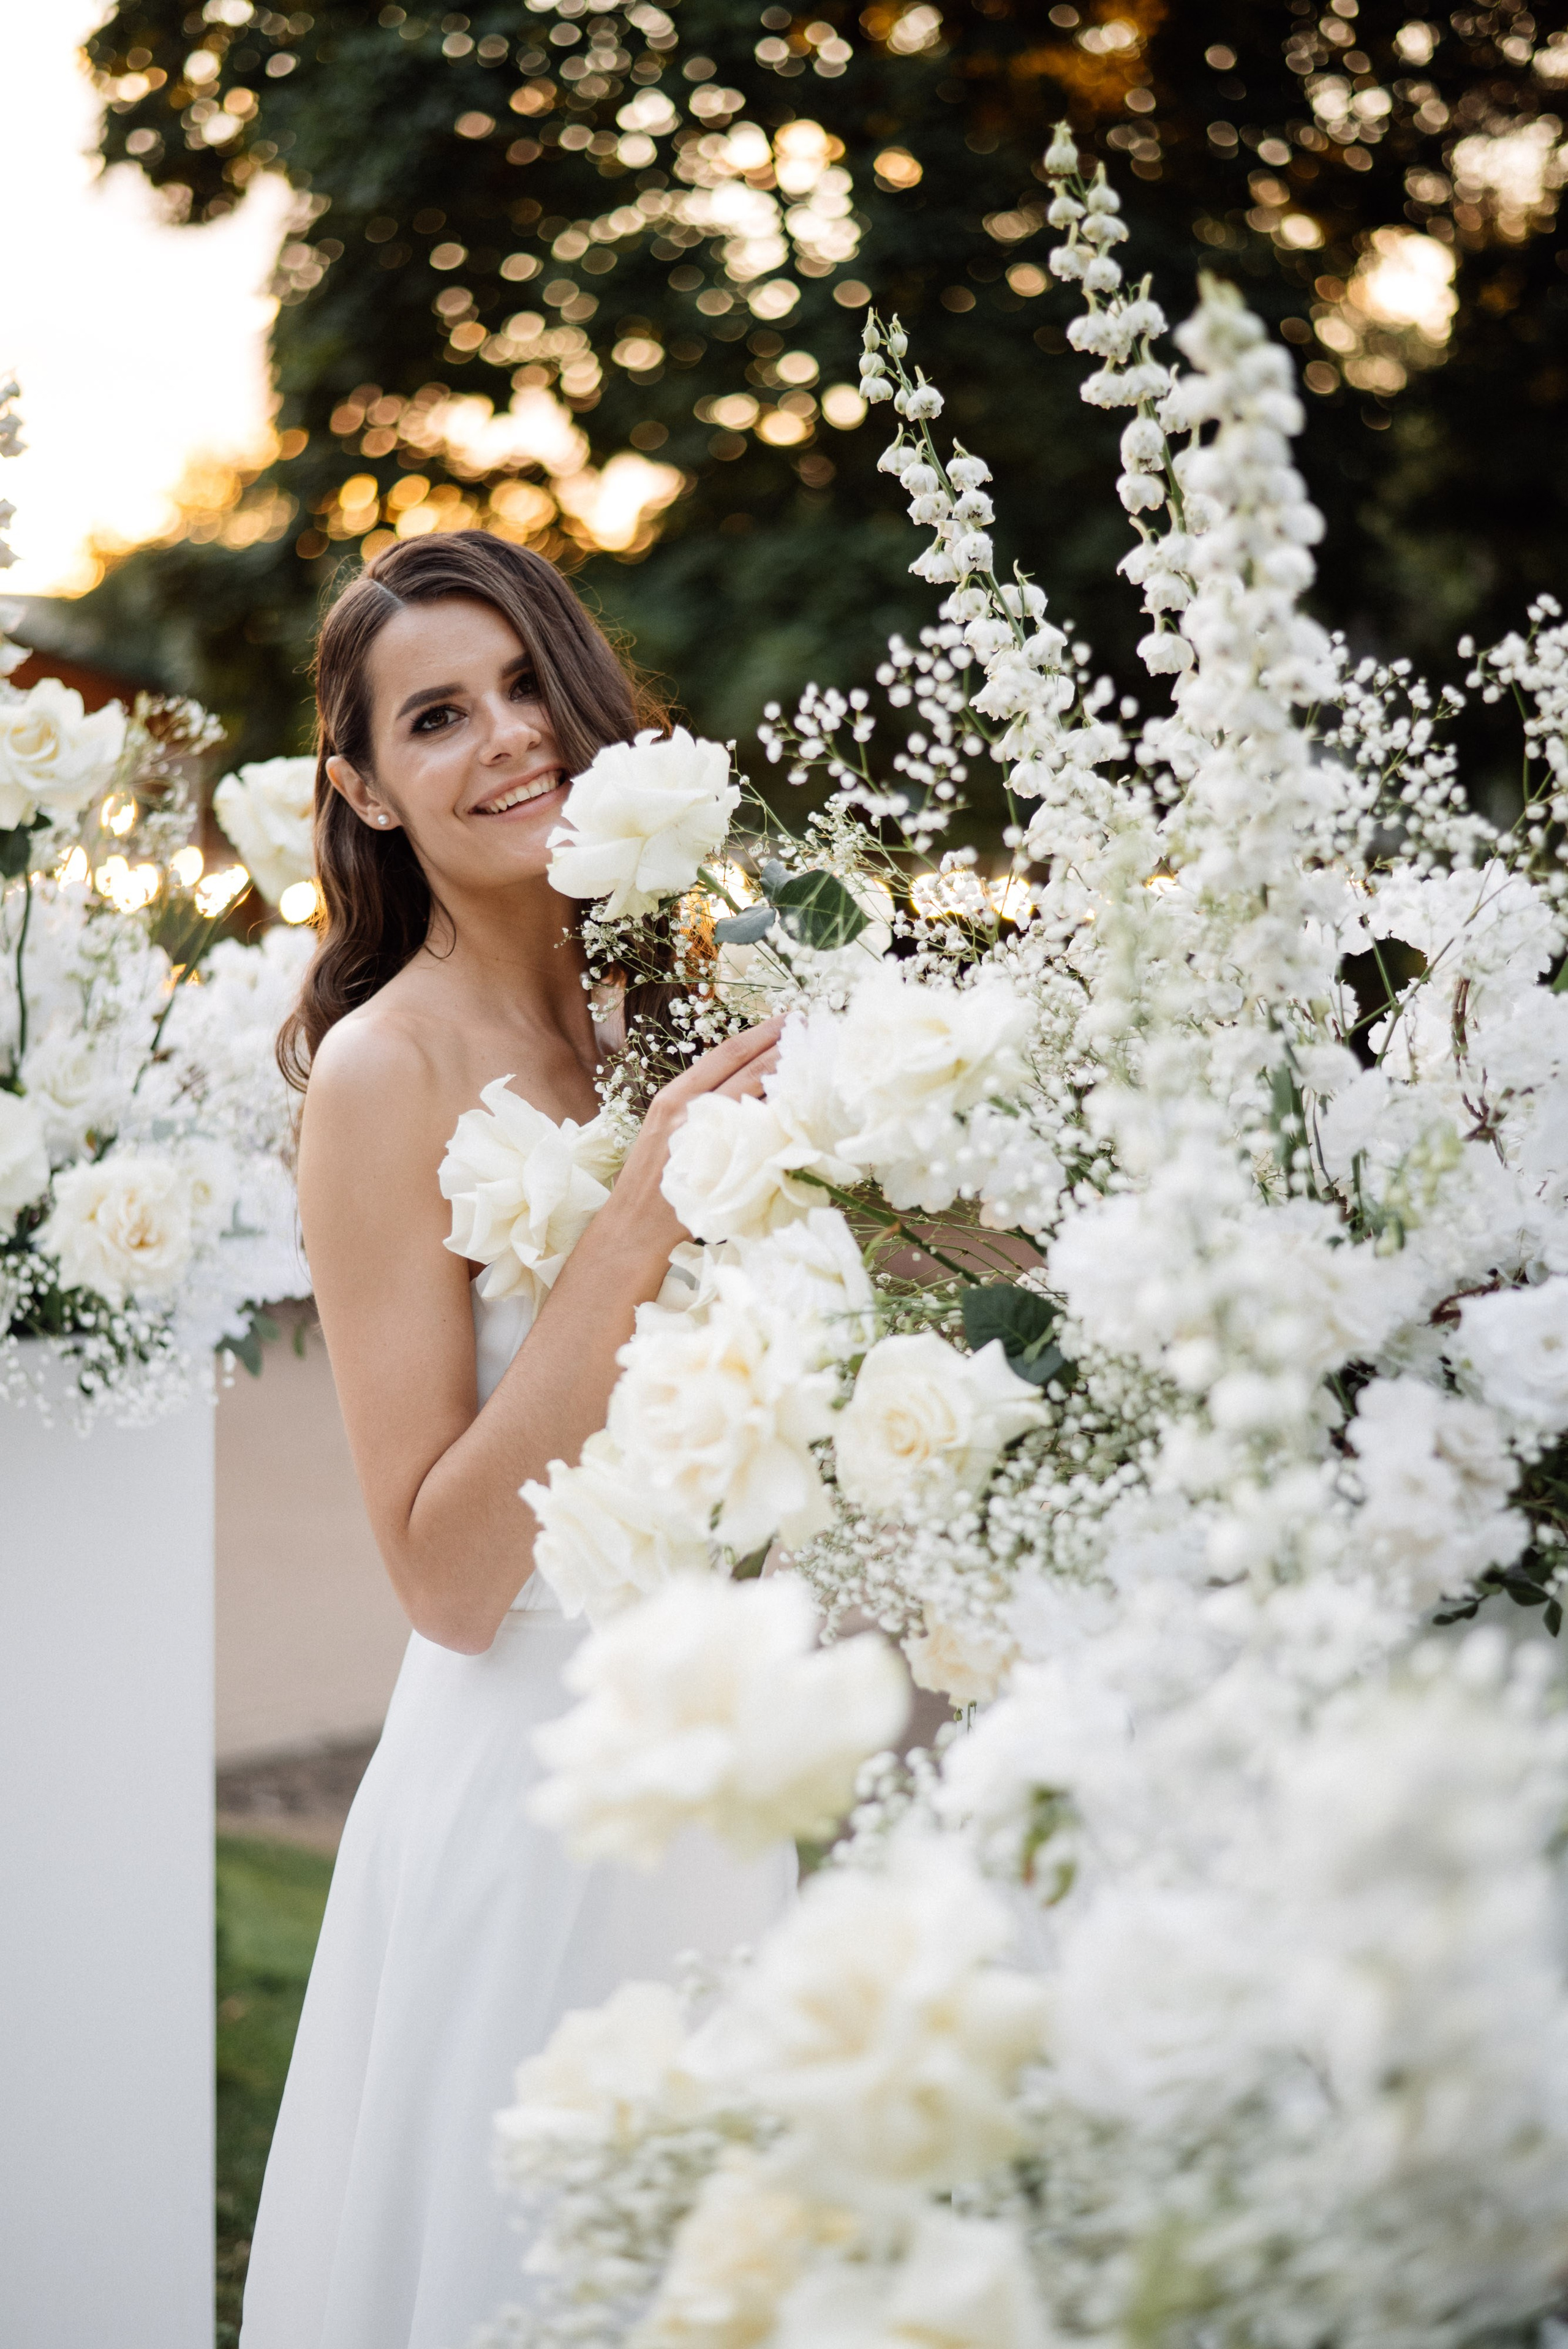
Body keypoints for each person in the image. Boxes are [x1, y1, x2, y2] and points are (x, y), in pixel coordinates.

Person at [239, 532, 794, 2349]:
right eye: (437, 716)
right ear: (365, 791)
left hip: (725, 1768)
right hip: (534, 1807)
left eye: (527, 682)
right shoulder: (381, 1072)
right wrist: (633, 1226)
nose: (507, 736)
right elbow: (444, 1578)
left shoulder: (674, 1021)